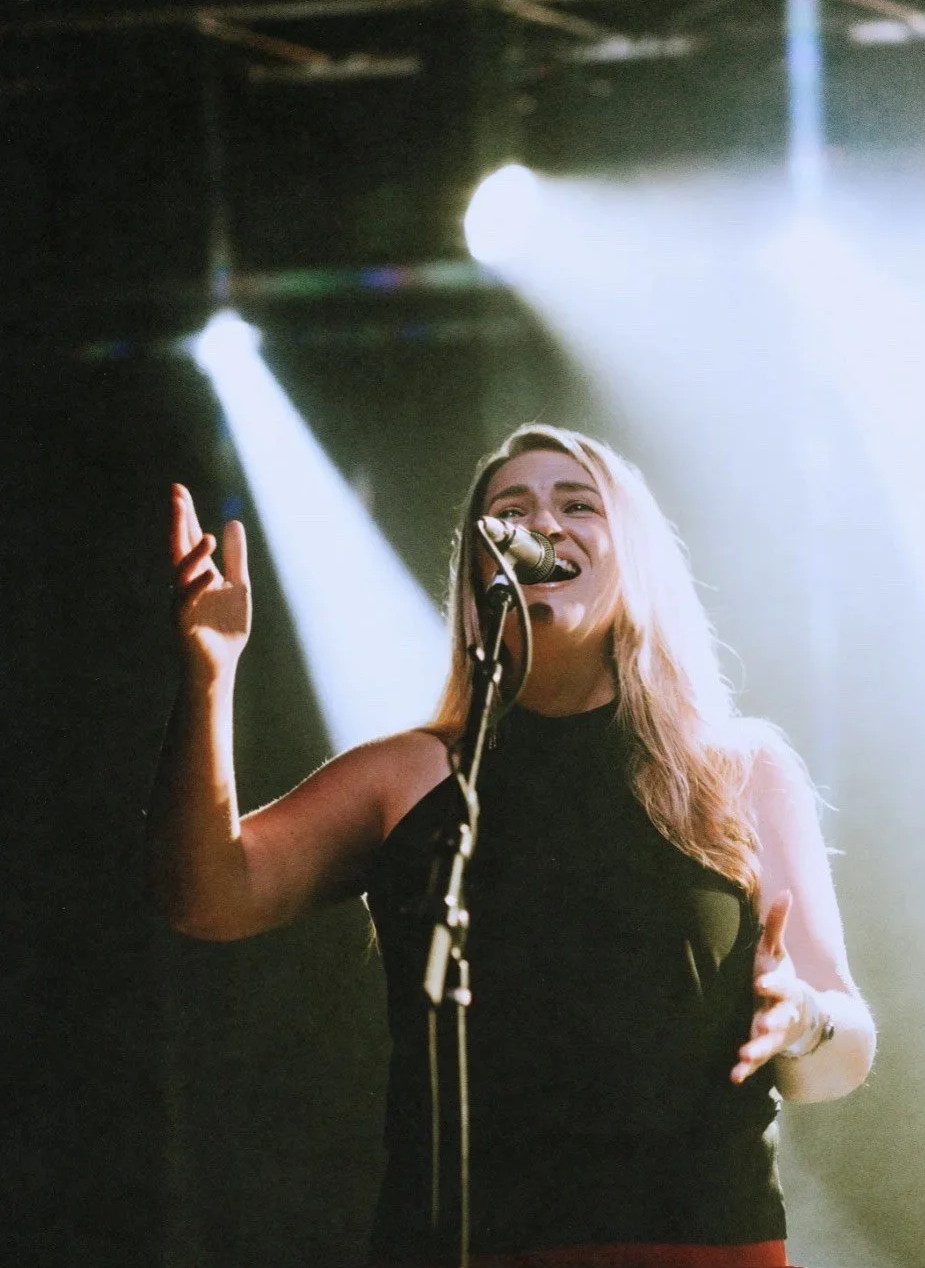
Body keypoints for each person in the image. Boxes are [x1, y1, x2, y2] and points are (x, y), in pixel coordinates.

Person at [151, 424, 876, 1268]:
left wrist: (801, 1016)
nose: (546, 524)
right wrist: (209, 678)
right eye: (512, 511)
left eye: (578, 504)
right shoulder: (415, 774)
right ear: (480, 569)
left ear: (632, 554)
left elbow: (848, 1049)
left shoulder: (740, 769)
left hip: (696, 1240)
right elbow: (206, 895)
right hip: (463, 1244)